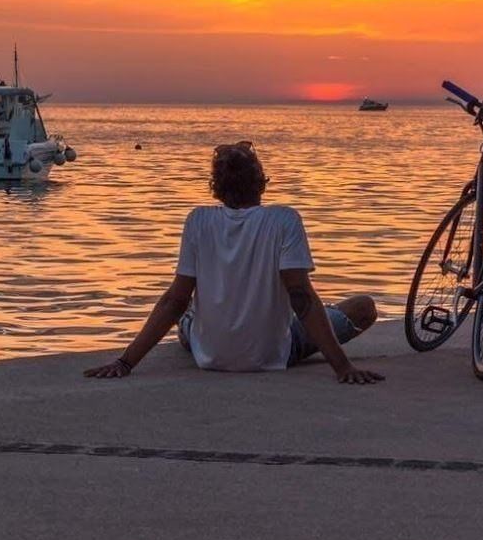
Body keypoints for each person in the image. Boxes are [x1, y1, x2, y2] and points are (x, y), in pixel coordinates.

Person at [85, 141, 384, 385]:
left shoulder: (198, 220)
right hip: (271, 353)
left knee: (185, 311)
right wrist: (343, 367)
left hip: (209, 353)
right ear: (261, 183)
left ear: (216, 187)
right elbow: (301, 297)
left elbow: (174, 301)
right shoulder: (284, 220)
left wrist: (125, 362)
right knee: (364, 307)